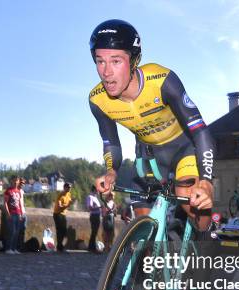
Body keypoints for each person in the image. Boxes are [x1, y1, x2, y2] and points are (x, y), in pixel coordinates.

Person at [88, 20, 214, 232]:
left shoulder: (161, 80)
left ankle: (204, 237)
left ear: (134, 60)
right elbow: (111, 142)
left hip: (184, 149)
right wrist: (111, 172)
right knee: (142, 232)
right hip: (149, 156)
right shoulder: (98, 100)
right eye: (100, 61)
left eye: (116, 61)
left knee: (196, 213)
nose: (106, 72)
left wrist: (207, 182)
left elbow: (200, 130)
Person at [3, 176, 23, 254]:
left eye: (16, 181)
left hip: (18, 213)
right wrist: (8, 213)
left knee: (17, 232)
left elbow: (19, 203)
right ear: (11, 181)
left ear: (18, 182)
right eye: (14, 181)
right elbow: (5, 203)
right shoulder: (8, 191)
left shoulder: (18, 191)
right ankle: (8, 248)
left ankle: (14, 249)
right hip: (11, 213)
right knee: (11, 231)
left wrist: (21, 213)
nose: (15, 182)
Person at [53, 182, 72, 252]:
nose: (69, 189)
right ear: (64, 187)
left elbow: (69, 201)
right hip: (57, 214)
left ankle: (60, 246)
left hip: (63, 214)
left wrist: (70, 203)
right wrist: (68, 205)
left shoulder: (69, 194)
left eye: (70, 187)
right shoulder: (60, 195)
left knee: (64, 231)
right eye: (68, 187)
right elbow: (60, 207)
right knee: (59, 231)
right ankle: (59, 247)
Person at [86, 185, 102, 252]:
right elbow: (90, 208)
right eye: (98, 190)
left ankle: (92, 247)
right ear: (94, 190)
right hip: (94, 216)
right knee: (94, 231)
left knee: (95, 232)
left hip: (97, 216)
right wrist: (99, 207)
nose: (98, 191)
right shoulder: (90, 197)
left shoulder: (96, 198)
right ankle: (91, 247)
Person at [17, 177, 28, 252]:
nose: (22, 184)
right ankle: (17, 247)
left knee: (23, 230)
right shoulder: (16, 190)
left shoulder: (22, 191)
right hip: (18, 213)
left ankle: (21, 246)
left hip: (23, 212)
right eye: (21, 183)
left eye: (23, 183)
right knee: (17, 231)